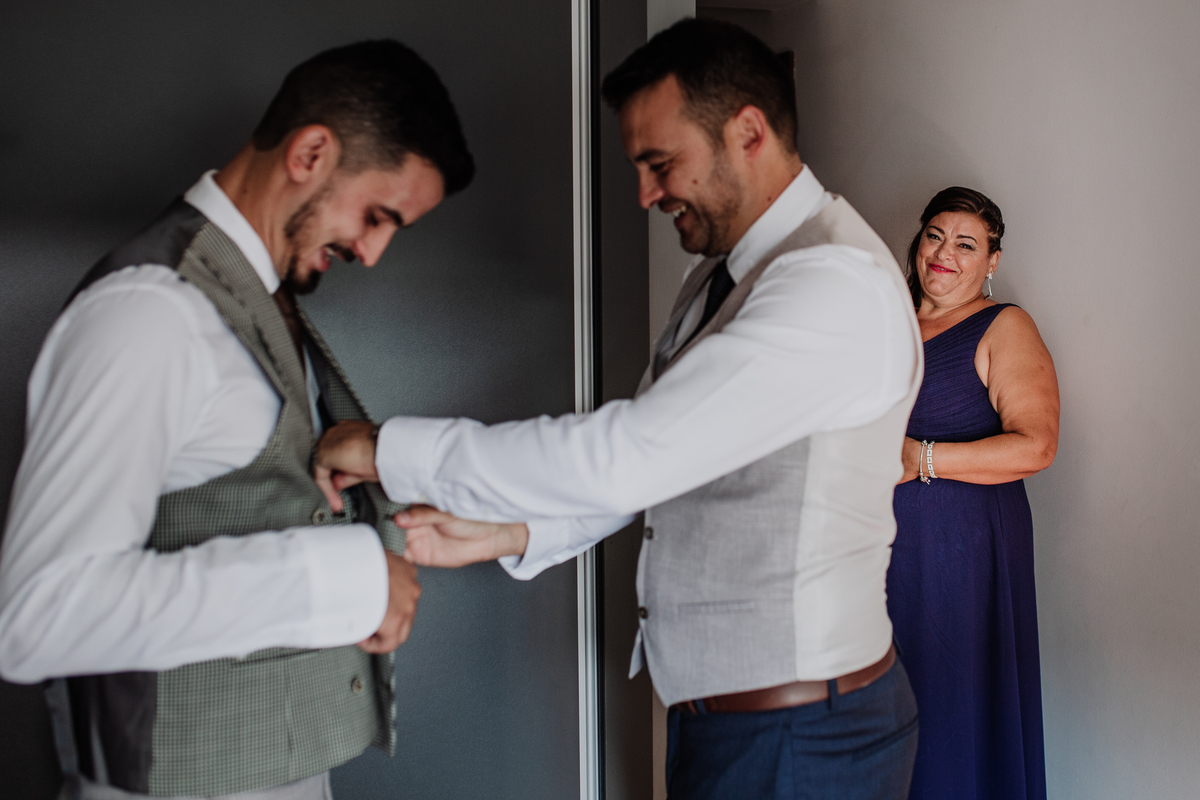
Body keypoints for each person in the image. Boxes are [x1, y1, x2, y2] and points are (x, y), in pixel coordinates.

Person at [315, 19, 924, 799]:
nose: (645, 195)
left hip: (802, 740)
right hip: (743, 727)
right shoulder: (722, 279)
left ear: (748, 133)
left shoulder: (829, 285)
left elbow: (629, 454)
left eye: (659, 164)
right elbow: (662, 466)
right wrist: (516, 532)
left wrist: (386, 448)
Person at [0, 40, 473, 800]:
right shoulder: (150, 313)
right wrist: (339, 576)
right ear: (310, 153)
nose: (374, 252)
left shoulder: (259, 294)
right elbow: (41, 614)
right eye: (376, 216)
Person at [887, 187, 1058, 800]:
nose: (944, 253)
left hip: (963, 558)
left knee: (951, 709)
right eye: (935, 235)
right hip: (875, 551)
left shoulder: (1004, 325)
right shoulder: (886, 322)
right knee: (882, 714)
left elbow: (1036, 446)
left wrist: (922, 458)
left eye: (966, 244)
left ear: (992, 261)